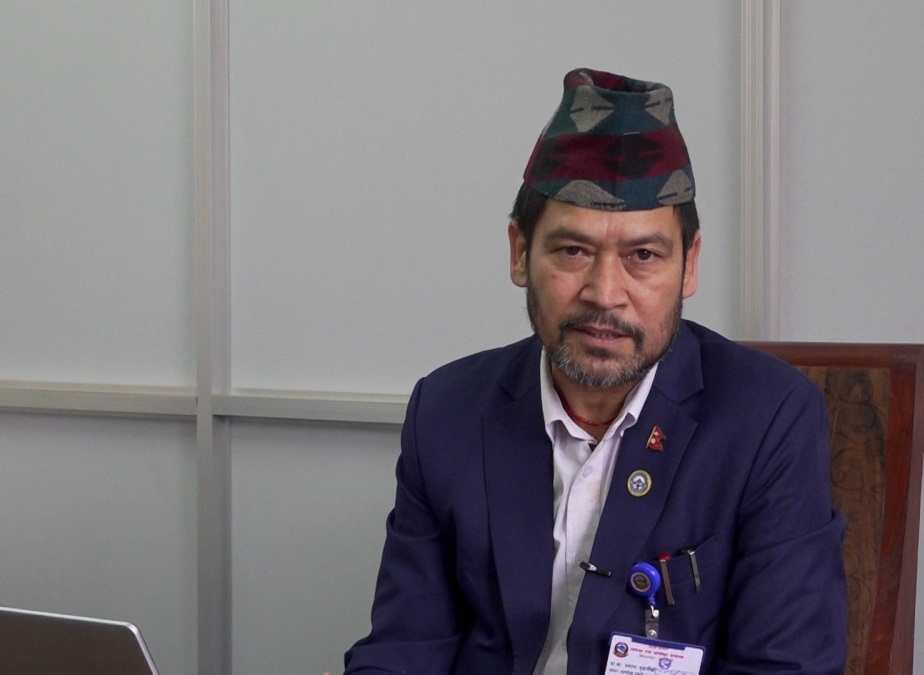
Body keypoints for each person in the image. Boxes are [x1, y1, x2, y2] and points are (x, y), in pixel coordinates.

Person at [344, 68, 847, 674]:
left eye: (643, 255)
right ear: (520, 253)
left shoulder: (769, 418)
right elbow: (405, 646)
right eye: (573, 251)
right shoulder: (446, 410)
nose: (605, 294)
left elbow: (786, 666)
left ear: (689, 266)